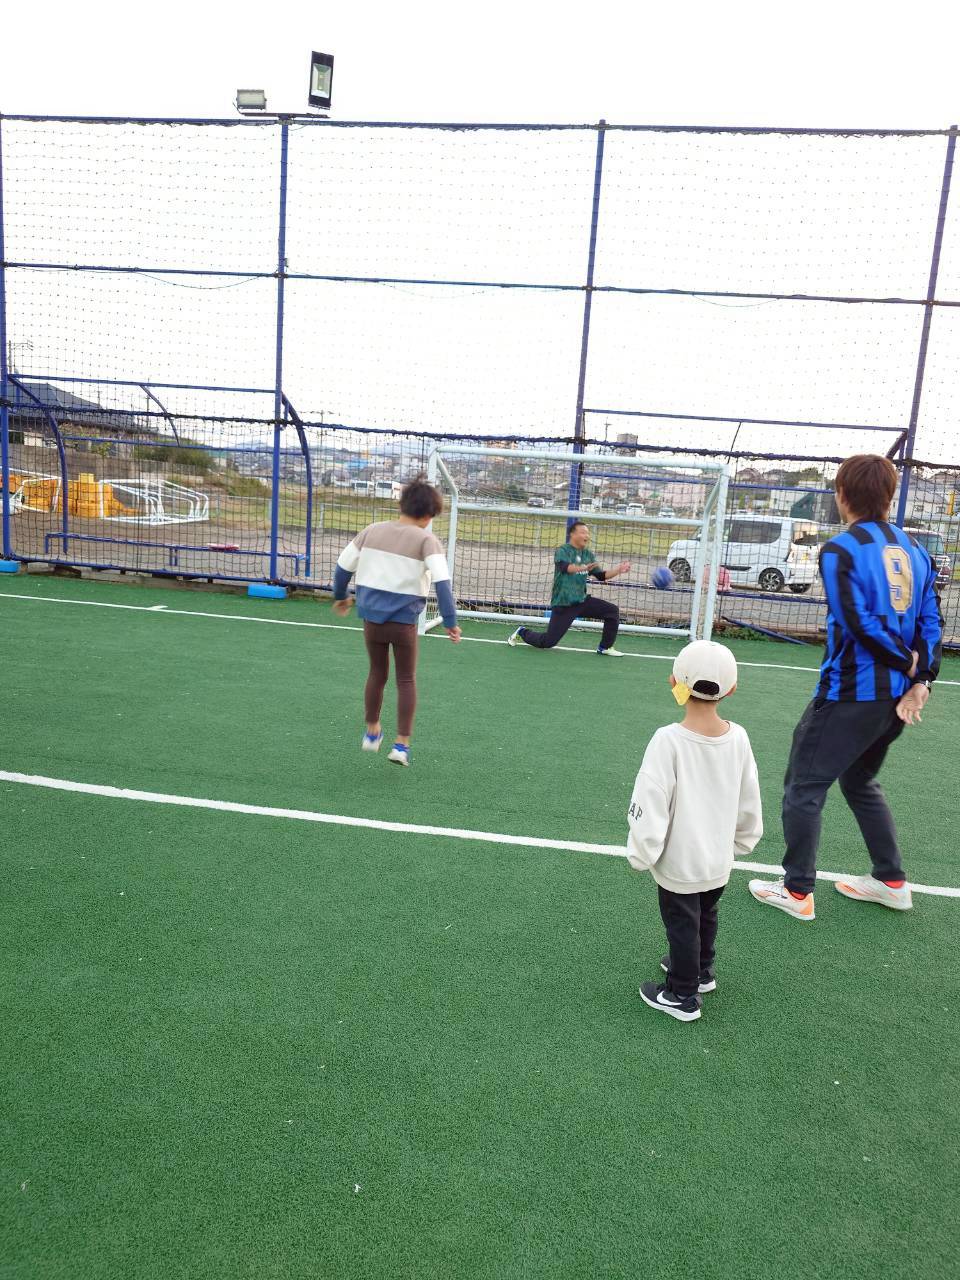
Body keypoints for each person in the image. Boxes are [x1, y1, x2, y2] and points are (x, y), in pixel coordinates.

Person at [749, 454, 943, 920]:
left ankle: (796, 891)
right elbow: (932, 620)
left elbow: (858, 621)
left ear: (841, 495)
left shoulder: (839, 550)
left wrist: (907, 665)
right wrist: (922, 678)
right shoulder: (917, 550)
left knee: (804, 786)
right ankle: (891, 881)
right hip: (896, 699)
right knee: (858, 780)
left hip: (851, 693)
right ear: (890, 496)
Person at [627, 640, 762, 1022]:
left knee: (682, 923)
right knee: (706, 913)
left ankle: (682, 994)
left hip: (680, 863)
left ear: (675, 682)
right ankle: (702, 970)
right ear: (731, 689)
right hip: (718, 859)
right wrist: (744, 838)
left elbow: (651, 799)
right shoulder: (739, 738)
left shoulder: (667, 740)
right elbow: (749, 794)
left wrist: (642, 852)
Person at [332, 477, 461, 766]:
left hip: (372, 621)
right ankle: (401, 744)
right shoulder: (427, 540)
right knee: (406, 679)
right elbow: (442, 584)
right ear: (428, 516)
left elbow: (342, 569)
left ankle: (372, 731)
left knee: (377, 673)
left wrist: (341, 597)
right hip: (404, 623)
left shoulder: (371, 531)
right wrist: (450, 621)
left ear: (401, 505)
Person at [506, 520, 631, 656]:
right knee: (548, 642)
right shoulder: (562, 551)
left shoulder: (588, 555)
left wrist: (618, 570)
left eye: (587, 533)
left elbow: (601, 576)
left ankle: (605, 647)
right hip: (564, 603)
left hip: (582, 601)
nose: (586, 536)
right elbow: (565, 568)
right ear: (572, 534)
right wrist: (582, 568)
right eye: (583, 532)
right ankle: (522, 632)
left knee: (612, 611)